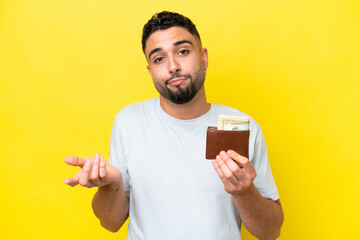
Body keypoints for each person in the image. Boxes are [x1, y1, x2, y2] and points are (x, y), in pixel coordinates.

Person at [64, 11, 284, 240]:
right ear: (150, 71)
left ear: (204, 57)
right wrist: (111, 184)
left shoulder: (244, 127)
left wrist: (245, 192)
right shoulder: (128, 121)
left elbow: (270, 232)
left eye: (182, 51)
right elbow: (110, 223)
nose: (173, 66)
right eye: (159, 58)